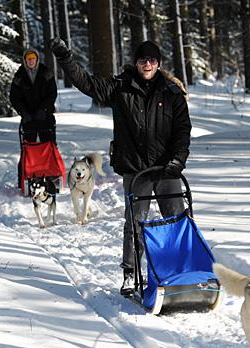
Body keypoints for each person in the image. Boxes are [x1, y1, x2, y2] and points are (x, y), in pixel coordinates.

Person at [50, 38, 192, 296]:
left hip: (166, 169)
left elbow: (183, 130)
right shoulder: (120, 88)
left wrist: (177, 160)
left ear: (158, 64)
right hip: (136, 170)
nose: (147, 64)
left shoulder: (171, 93)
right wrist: (66, 59)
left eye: (151, 60)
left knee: (176, 220)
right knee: (135, 223)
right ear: (136, 63)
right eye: (142, 60)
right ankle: (130, 272)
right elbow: (88, 84)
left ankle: (181, 270)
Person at [10, 48, 58, 188]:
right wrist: (23, 112)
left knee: (49, 146)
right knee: (27, 149)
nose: (31, 61)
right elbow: (14, 97)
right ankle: (24, 178)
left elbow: (52, 93)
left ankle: (52, 176)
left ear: (37, 59)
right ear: (25, 60)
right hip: (29, 118)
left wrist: (44, 109)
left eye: (33, 58)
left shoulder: (45, 73)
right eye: (28, 58)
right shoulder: (19, 76)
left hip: (45, 117)